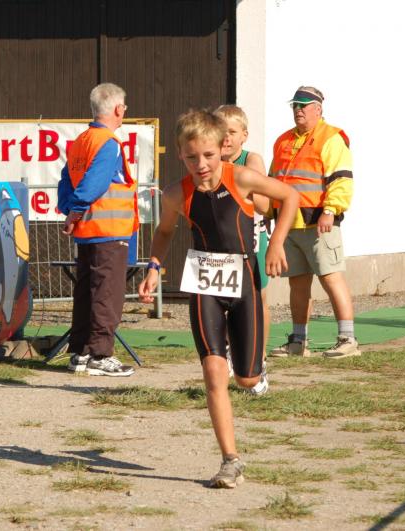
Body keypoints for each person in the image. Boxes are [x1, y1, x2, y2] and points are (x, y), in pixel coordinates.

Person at [138, 109, 299, 488]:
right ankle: (230, 460)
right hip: (204, 284)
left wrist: (277, 243)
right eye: (191, 157)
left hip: (243, 282)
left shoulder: (240, 177)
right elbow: (164, 232)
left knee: (245, 378)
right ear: (180, 154)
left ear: (221, 149)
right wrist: (154, 266)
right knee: (213, 373)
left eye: (208, 155)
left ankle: (252, 370)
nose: (201, 164)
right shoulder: (176, 193)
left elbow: (290, 196)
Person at [267, 86, 360, 359]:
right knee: (297, 283)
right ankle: (298, 342)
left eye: (304, 105)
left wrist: (330, 210)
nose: (298, 110)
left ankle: (348, 339)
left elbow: (341, 179)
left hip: (320, 223)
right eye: (295, 105)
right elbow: (272, 181)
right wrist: (270, 214)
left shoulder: (331, 137)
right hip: (289, 224)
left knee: (331, 278)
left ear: (318, 109)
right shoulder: (282, 140)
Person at [57, 83, 138, 377]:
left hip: (87, 230)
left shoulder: (81, 141)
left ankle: (80, 352)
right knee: (107, 292)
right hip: (109, 230)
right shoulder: (109, 143)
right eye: (124, 107)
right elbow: (96, 182)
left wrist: (69, 211)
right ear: (118, 109)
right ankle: (100, 355)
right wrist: (75, 210)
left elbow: (66, 180)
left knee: (86, 292)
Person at [214, 105, 271, 385]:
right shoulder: (209, 159)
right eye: (221, 131)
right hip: (220, 242)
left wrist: (236, 181)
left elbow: (264, 203)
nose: (226, 138)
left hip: (252, 239)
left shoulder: (251, 160)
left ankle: (259, 360)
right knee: (220, 302)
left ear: (244, 136)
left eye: (232, 132)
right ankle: (227, 354)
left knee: (257, 300)